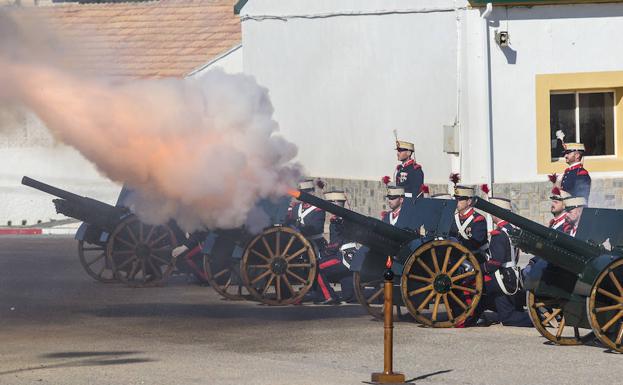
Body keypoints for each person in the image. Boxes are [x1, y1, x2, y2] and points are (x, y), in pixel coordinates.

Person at [476, 197, 532, 327]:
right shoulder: (511, 230)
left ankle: (534, 318)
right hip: (511, 275)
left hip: (501, 278)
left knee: (507, 317)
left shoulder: (499, 234)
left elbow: (495, 263)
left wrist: (478, 269)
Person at [315, 190, 356, 304]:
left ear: (336, 203)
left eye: (331, 203)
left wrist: (325, 251)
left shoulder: (340, 220)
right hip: (346, 256)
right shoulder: (344, 218)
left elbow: (336, 243)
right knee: (348, 291)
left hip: (343, 257)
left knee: (317, 268)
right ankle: (350, 295)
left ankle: (329, 296)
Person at [449, 186, 488, 259]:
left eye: (460, 199)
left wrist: (457, 243)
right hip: (459, 256)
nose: (456, 202)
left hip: (476, 257)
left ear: (469, 201)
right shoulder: (454, 218)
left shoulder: (478, 219)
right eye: (456, 199)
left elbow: (475, 244)